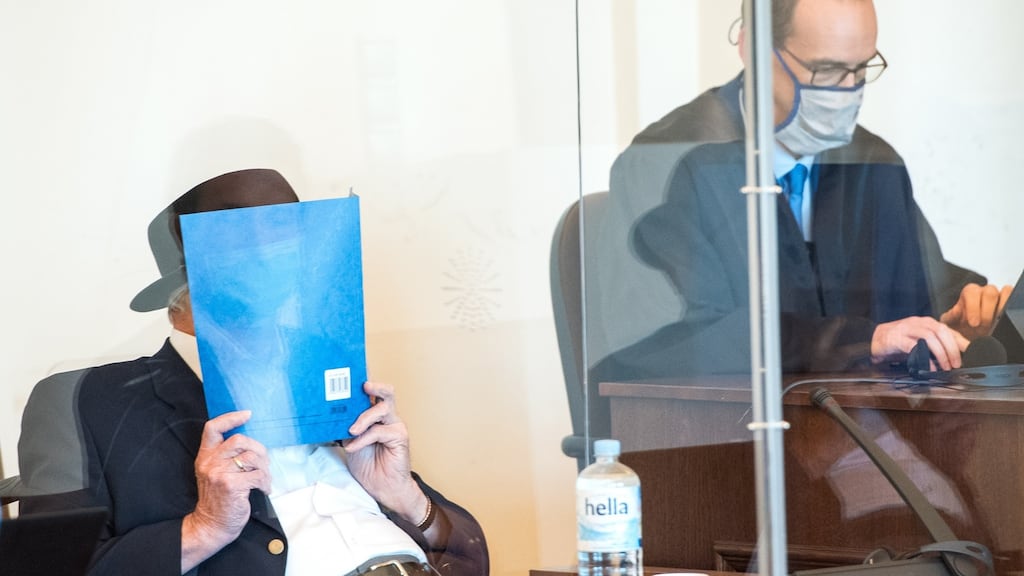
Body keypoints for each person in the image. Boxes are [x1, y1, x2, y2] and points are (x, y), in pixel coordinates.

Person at [13, 168, 489, 576]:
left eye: (286, 237)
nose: (272, 256)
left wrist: (403, 494)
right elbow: (47, 567)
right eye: (245, 242)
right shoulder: (93, 399)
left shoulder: (332, 374)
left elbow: (474, 560)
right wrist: (203, 529)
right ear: (189, 270)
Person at [591, 0, 1011, 383]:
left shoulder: (870, 163)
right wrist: (862, 341)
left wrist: (951, 321)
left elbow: (913, 287)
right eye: (825, 71)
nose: (847, 90)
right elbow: (671, 339)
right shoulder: (670, 164)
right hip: (724, 442)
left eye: (861, 68)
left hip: (859, 431)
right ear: (752, 49)